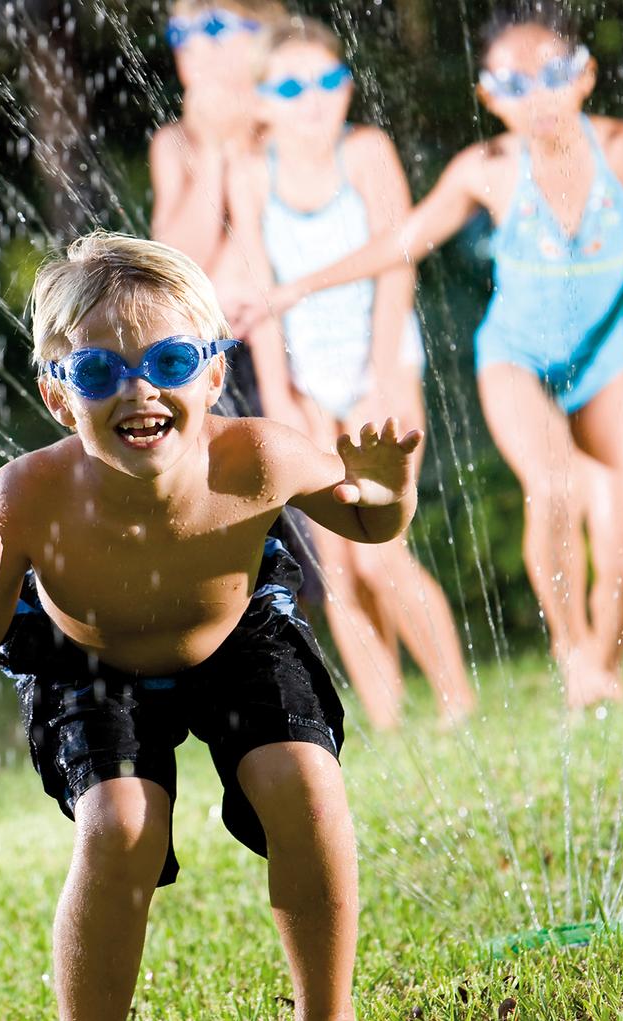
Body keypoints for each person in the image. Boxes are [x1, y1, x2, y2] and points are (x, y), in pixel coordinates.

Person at [0, 231, 424, 1021]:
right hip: (88, 659)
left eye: (170, 363)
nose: (139, 391)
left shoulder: (260, 458)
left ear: (213, 373)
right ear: (57, 393)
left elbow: (372, 527)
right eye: (100, 371)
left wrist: (390, 494)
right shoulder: (26, 496)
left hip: (238, 634)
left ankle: (328, 1011)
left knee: (307, 785)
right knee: (119, 826)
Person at [233, 10, 623, 709]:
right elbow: (403, 240)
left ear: (587, 74)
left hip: (604, 363)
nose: (538, 96)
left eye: (554, 74)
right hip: (515, 359)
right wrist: (292, 290)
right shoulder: (488, 169)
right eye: (515, 82)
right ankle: (570, 652)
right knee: (554, 486)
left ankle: (604, 665)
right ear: (490, 96)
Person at [225, 15, 475, 729]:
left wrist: (385, 375)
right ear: (263, 101)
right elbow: (260, 288)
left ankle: (458, 704)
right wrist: (280, 400)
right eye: (294, 85)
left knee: (383, 552)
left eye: (330, 80)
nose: (315, 98)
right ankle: (390, 719)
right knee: (337, 564)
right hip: (305, 382)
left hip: (380, 360)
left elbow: (399, 259)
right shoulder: (251, 172)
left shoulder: (365, 151)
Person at [149, 0, 289, 415]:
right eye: (179, 33)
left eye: (212, 27)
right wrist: (213, 150)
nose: (192, 44)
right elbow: (179, 260)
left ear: (263, 32)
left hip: (296, 327)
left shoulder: (292, 122)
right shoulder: (175, 143)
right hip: (225, 342)